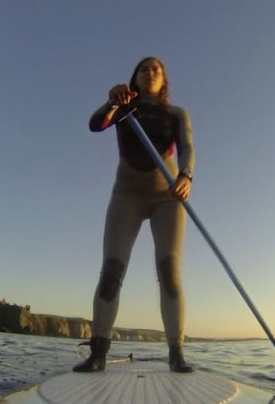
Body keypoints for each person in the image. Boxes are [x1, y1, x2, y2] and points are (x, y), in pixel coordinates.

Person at [74, 56, 195, 373]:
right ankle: (98, 352)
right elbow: (95, 125)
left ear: (164, 79)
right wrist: (111, 101)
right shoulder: (123, 107)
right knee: (112, 270)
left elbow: (186, 147)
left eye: (156, 69)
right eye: (144, 68)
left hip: (167, 197)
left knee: (169, 271)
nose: (150, 72)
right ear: (135, 78)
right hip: (126, 197)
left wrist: (186, 176)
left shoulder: (176, 113)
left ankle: (176, 354)